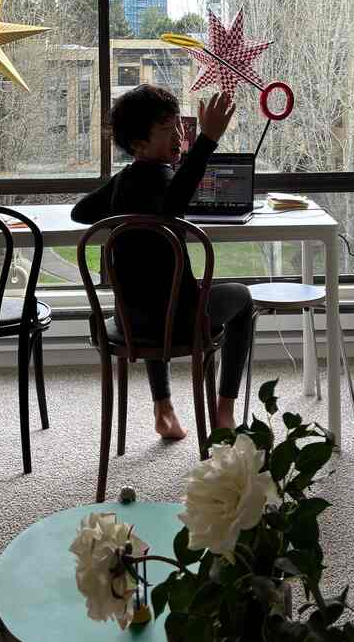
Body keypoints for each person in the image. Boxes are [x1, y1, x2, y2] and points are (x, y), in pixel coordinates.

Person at [71, 84, 253, 442]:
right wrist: (208, 140)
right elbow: (171, 204)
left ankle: (164, 408)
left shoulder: (128, 178)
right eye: (168, 130)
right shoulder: (165, 178)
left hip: (130, 323)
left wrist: (121, 195)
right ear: (139, 144)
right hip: (181, 322)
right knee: (242, 298)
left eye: (180, 127)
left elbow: (81, 211)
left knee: (157, 294)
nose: (179, 135)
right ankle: (224, 409)